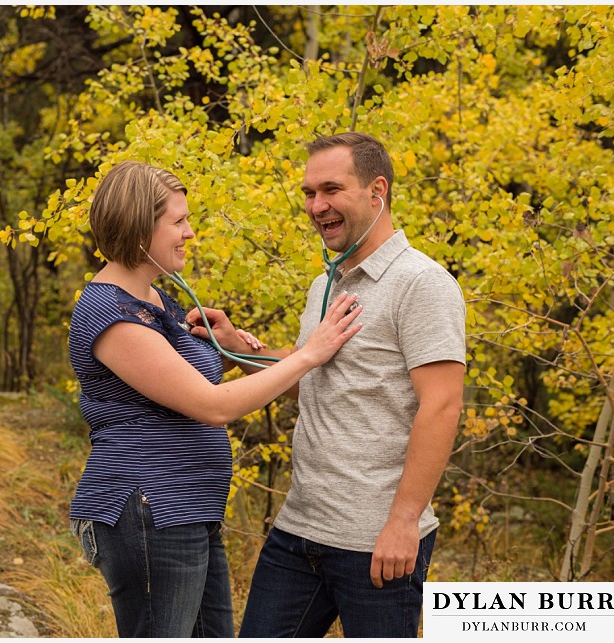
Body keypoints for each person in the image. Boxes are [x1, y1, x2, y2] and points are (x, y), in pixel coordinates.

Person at [66, 160, 363, 638]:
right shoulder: (111, 313)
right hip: (148, 508)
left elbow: (169, 384)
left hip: (187, 508)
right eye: (178, 222)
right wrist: (310, 354)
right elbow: (212, 405)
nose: (190, 233)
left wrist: (228, 349)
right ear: (141, 226)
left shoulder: (156, 301)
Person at [193, 133, 466, 638]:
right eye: (309, 193)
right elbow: (308, 380)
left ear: (376, 190)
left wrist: (404, 521)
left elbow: (443, 405)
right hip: (299, 530)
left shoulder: (422, 283)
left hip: (376, 542)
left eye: (331, 190)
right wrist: (236, 346)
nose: (317, 206)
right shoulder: (327, 284)